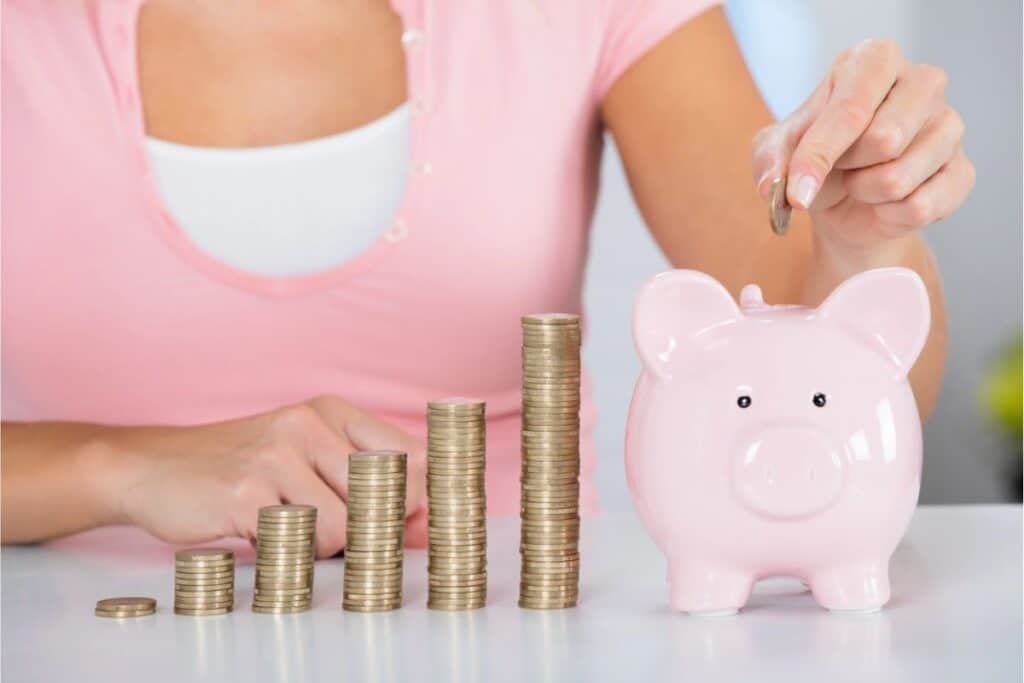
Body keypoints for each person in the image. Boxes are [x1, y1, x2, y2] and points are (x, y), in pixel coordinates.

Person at [1, 0, 972, 557]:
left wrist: (863, 234)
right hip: (73, 636)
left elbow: (859, 377)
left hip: (511, 627)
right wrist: (112, 466)